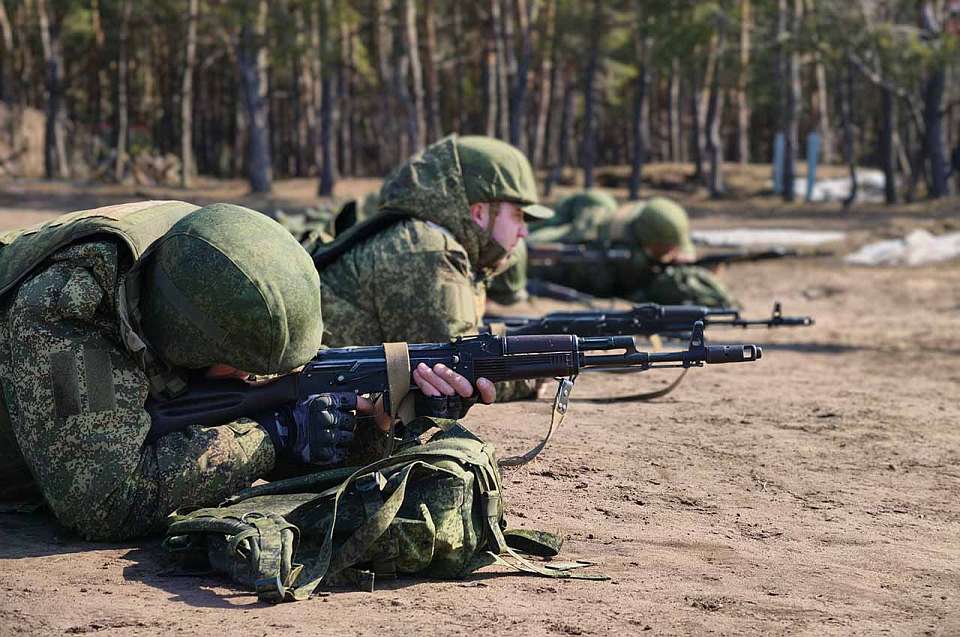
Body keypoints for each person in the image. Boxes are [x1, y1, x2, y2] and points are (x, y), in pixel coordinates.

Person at [0, 200, 492, 541]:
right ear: (187, 345)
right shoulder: (69, 311)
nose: (258, 382)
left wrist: (390, 419)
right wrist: (269, 438)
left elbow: (285, 405)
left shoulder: (215, 259)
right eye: (246, 368)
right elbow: (104, 500)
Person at [314, 135, 553, 401]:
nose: (523, 231)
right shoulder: (428, 251)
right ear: (479, 213)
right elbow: (454, 364)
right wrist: (532, 375)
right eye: (518, 216)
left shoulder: (428, 241)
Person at [521, 194, 739, 308]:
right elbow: (629, 288)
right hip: (571, 240)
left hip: (590, 223)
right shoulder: (621, 252)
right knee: (523, 244)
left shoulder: (650, 225)